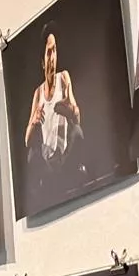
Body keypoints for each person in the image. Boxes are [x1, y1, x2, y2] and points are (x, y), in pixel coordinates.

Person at [25, 24, 84, 200]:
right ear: (42, 62)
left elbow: (77, 118)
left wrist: (70, 109)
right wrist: (34, 122)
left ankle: (75, 170)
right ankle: (46, 184)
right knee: (32, 155)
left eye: (55, 51)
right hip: (48, 162)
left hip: (65, 155)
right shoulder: (38, 93)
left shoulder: (64, 78)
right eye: (49, 52)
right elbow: (27, 140)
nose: (52, 57)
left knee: (77, 132)